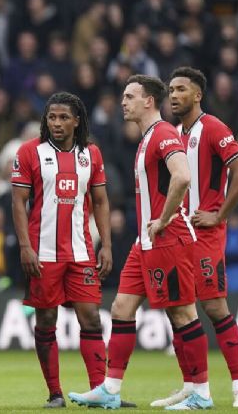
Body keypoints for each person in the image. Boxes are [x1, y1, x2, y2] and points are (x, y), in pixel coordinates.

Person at [69, 75, 213, 410]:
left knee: (182, 314)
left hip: (168, 237)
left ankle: (201, 393)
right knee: (121, 308)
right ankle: (111, 388)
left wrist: (163, 218)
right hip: (145, 242)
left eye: (130, 96)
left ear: (149, 101)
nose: (123, 102)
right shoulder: (148, 138)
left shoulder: (163, 134)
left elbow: (183, 175)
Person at [10, 92, 121, 408]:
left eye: (63, 117)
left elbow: (100, 201)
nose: (56, 123)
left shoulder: (91, 154)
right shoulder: (30, 152)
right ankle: (55, 393)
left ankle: (100, 391)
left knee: (91, 319)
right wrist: (25, 246)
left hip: (82, 252)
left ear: (77, 121)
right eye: (51, 117)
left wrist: (107, 245)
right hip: (42, 253)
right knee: (46, 320)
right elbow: (18, 202)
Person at [153, 67, 238, 408]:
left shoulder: (213, 127)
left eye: (181, 89)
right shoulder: (174, 133)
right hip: (179, 231)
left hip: (205, 232)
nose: (174, 95)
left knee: (214, 307)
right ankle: (190, 384)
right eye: (171, 90)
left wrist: (219, 214)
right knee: (176, 308)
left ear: (197, 95)